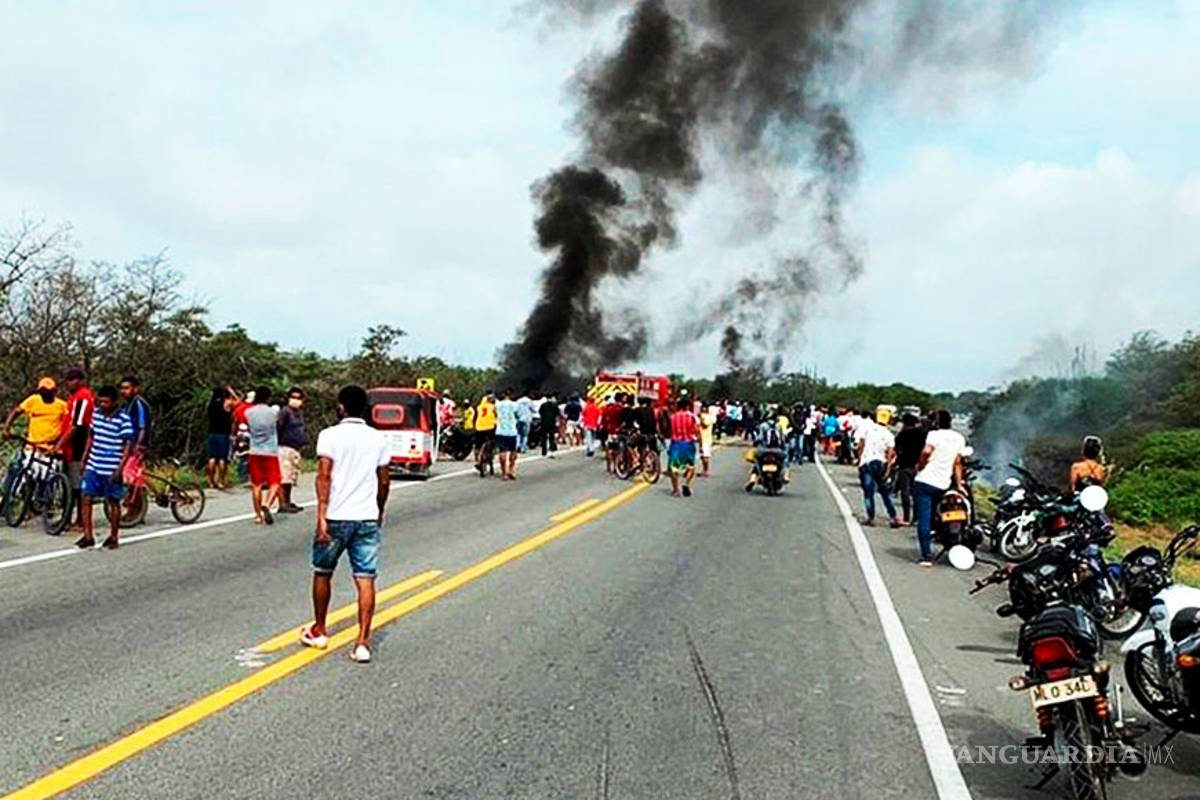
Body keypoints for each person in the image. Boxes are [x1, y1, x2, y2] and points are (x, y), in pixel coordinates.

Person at [302, 385, 391, 664]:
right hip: (366, 516)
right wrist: (379, 509)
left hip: (336, 516)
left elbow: (324, 476)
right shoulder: (379, 438)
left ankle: (319, 630)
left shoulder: (329, 435)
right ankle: (362, 642)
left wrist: (321, 515)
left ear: (341, 407)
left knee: (322, 572)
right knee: (365, 578)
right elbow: (384, 480)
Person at [77, 386, 133, 550]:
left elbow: (127, 445)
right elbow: (91, 436)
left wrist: (120, 468)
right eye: (100, 402)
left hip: (111, 465)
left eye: (106, 402)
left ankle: (113, 536)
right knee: (86, 497)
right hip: (94, 463)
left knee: (113, 501)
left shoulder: (123, 419)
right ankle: (88, 535)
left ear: (114, 402)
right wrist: (85, 458)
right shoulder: (96, 414)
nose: (103, 405)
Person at [913, 409, 967, 567]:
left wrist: (920, 466)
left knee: (924, 518)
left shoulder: (933, 435)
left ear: (936, 422)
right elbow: (957, 463)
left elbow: (926, 451)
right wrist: (959, 484)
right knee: (940, 515)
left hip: (924, 481)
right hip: (943, 483)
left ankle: (926, 555)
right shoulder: (959, 438)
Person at [62, 367, 95, 530]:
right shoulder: (73, 398)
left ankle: (81, 519)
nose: (69, 383)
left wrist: (59, 444)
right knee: (71, 483)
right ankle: (71, 518)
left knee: (77, 484)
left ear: (81, 381)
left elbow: (77, 425)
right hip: (71, 445)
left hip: (79, 444)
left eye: (72, 380)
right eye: (67, 380)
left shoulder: (83, 397)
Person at [245, 386, 282, 525]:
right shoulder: (273, 411)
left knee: (256, 485)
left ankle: (257, 515)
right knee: (275, 482)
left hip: (254, 450)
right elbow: (277, 423)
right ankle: (267, 503)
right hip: (270, 451)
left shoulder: (249, 412)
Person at [856, 415, 900, 528]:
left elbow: (861, 445)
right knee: (885, 492)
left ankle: (871, 518)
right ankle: (893, 516)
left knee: (868, 492)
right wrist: (888, 469)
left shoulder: (868, 430)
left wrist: (859, 459)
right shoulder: (889, 435)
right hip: (880, 464)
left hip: (866, 462)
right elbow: (889, 454)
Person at [4, 377, 69, 450]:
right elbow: (16, 411)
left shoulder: (62, 405)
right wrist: (7, 427)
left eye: (47, 391)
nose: (44, 394)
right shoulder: (33, 400)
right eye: (42, 391)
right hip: (32, 445)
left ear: (53, 391)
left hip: (50, 447)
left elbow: (68, 425)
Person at [119, 376, 152, 516]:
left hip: (138, 445)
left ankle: (135, 510)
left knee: (129, 476)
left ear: (136, 389)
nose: (124, 391)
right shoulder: (126, 405)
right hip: (128, 446)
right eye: (122, 388)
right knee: (134, 477)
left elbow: (142, 427)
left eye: (127, 388)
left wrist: (139, 445)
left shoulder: (139, 404)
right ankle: (138, 508)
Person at [892, 413, 927, 525]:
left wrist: (895, 463)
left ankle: (906, 517)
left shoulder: (901, 435)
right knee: (916, 493)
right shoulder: (922, 434)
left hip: (904, 466)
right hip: (918, 467)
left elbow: (897, 450)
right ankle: (916, 518)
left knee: (905, 493)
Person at [277, 387, 307, 513]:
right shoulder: (285, 412)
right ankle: (282, 503)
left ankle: (288, 501)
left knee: (290, 477)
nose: (296, 400)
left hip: (295, 448)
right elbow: (278, 426)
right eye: (293, 397)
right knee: (284, 476)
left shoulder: (299, 413)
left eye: (298, 398)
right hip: (284, 447)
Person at [667, 397, 699, 498]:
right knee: (690, 466)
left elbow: (669, 430)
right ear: (688, 406)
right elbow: (697, 431)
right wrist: (700, 444)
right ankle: (686, 483)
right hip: (689, 444)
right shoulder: (692, 417)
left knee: (673, 468)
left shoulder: (673, 417)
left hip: (676, 444)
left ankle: (676, 490)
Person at [205, 387, 234, 490]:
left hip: (212, 433)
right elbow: (239, 402)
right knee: (222, 458)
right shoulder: (225, 404)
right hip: (223, 434)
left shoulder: (210, 404)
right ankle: (221, 480)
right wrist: (232, 392)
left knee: (212, 458)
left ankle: (210, 480)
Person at [494, 387, 520, 480]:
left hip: (500, 430)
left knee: (502, 452)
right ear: (512, 395)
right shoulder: (515, 405)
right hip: (512, 431)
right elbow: (517, 415)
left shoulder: (498, 404)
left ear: (503, 394)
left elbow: (495, 414)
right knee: (513, 451)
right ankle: (511, 470)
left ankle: (504, 473)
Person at [473, 391, 497, 476]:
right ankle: (492, 455)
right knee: (492, 444)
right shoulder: (493, 407)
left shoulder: (478, 407)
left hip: (479, 428)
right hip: (490, 428)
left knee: (477, 446)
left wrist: (474, 427)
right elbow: (497, 416)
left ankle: (477, 460)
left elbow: (475, 417)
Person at [698, 403, 717, 477]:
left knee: (705, 455)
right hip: (701, 438)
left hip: (706, 438)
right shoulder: (702, 416)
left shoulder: (708, 417)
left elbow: (705, 424)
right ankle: (704, 470)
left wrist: (701, 419)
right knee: (702, 456)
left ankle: (706, 470)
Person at [539, 393, 560, 458]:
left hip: (544, 422)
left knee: (544, 437)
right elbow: (557, 414)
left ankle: (544, 451)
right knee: (551, 437)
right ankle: (551, 450)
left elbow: (540, 412)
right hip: (552, 423)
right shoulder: (554, 405)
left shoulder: (543, 405)